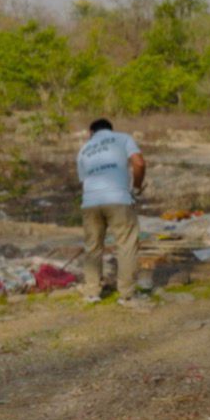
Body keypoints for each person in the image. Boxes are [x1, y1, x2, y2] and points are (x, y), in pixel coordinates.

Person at [76, 119, 145, 303]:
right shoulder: (123, 138)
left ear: (91, 132)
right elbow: (139, 163)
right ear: (110, 129)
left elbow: (84, 182)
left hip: (90, 202)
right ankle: (127, 295)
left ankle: (92, 292)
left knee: (93, 248)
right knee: (126, 245)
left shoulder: (84, 149)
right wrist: (136, 188)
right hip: (118, 199)